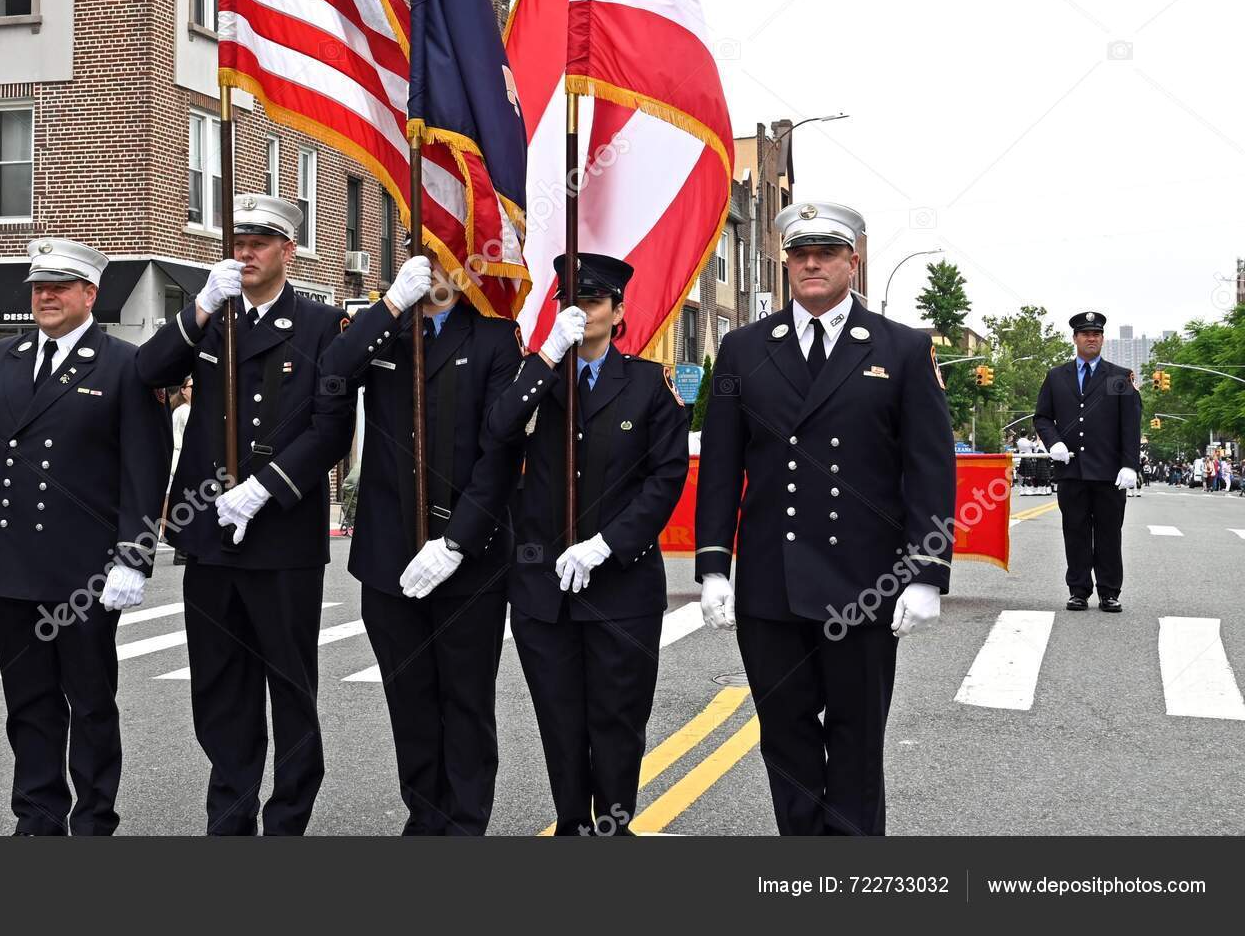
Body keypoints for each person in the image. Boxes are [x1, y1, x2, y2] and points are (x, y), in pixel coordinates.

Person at [697, 201, 955, 837]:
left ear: (853, 262)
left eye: (827, 253)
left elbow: (927, 466)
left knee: (857, 737)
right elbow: (723, 465)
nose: (811, 264)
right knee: (784, 738)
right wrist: (712, 566)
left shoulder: (900, 347)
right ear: (785, 262)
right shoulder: (743, 348)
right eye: (800, 254)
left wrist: (926, 570)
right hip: (771, 582)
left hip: (864, 581)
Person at [0, 238, 170, 836]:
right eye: (39, 287)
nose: (45, 296)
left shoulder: (123, 364)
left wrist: (133, 556)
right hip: (13, 565)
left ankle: (93, 818)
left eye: (59, 286)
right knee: (28, 702)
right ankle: (37, 816)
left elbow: (144, 468)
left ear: (90, 294)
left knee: (90, 702)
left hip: (86, 570)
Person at [137, 194, 356, 836]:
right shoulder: (211, 315)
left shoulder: (321, 324)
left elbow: (331, 427)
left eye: (261, 241)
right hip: (209, 534)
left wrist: (266, 487)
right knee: (219, 685)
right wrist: (201, 305)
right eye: (239, 240)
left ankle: (288, 815)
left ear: (289, 249)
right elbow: (149, 371)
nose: (247, 251)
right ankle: (230, 815)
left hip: (281, 534)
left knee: (288, 685)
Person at [484, 252, 689, 836]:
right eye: (569, 301)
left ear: (617, 312)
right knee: (560, 716)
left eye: (594, 301)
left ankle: (614, 826)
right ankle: (573, 824)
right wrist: (548, 356)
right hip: (542, 586)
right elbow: (498, 430)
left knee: (618, 716)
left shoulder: (649, 385)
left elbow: (665, 478)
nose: (581, 310)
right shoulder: (537, 376)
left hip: (621, 584)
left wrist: (606, 544)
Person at [319, 247, 523, 835]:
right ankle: (424, 816)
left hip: (468, 560)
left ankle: (463, 823)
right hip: (389, 554)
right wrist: (388, 306)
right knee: (408, 699)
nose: (436, 275)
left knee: (465, 700)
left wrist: (456, 540)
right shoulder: (382, 332)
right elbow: (332, 375)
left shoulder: (492, 340)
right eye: (424, 262)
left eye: (448, 263)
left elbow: (500, 454)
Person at [1033, 311, 1141, 613]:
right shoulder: (1056, 376)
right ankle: (1078, 589)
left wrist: (1130, 464)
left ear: (1102, 339)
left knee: (1109, 532)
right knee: (1075, 531)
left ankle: (1109, 591)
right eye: (1085, 334)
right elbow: (1042, 416)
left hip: (1109, 472)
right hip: (1072, 471)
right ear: (1075, 338)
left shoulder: (1119, 377)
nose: (1091, 338)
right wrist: (1052, 441)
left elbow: (1130, 424)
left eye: (1096, 334)